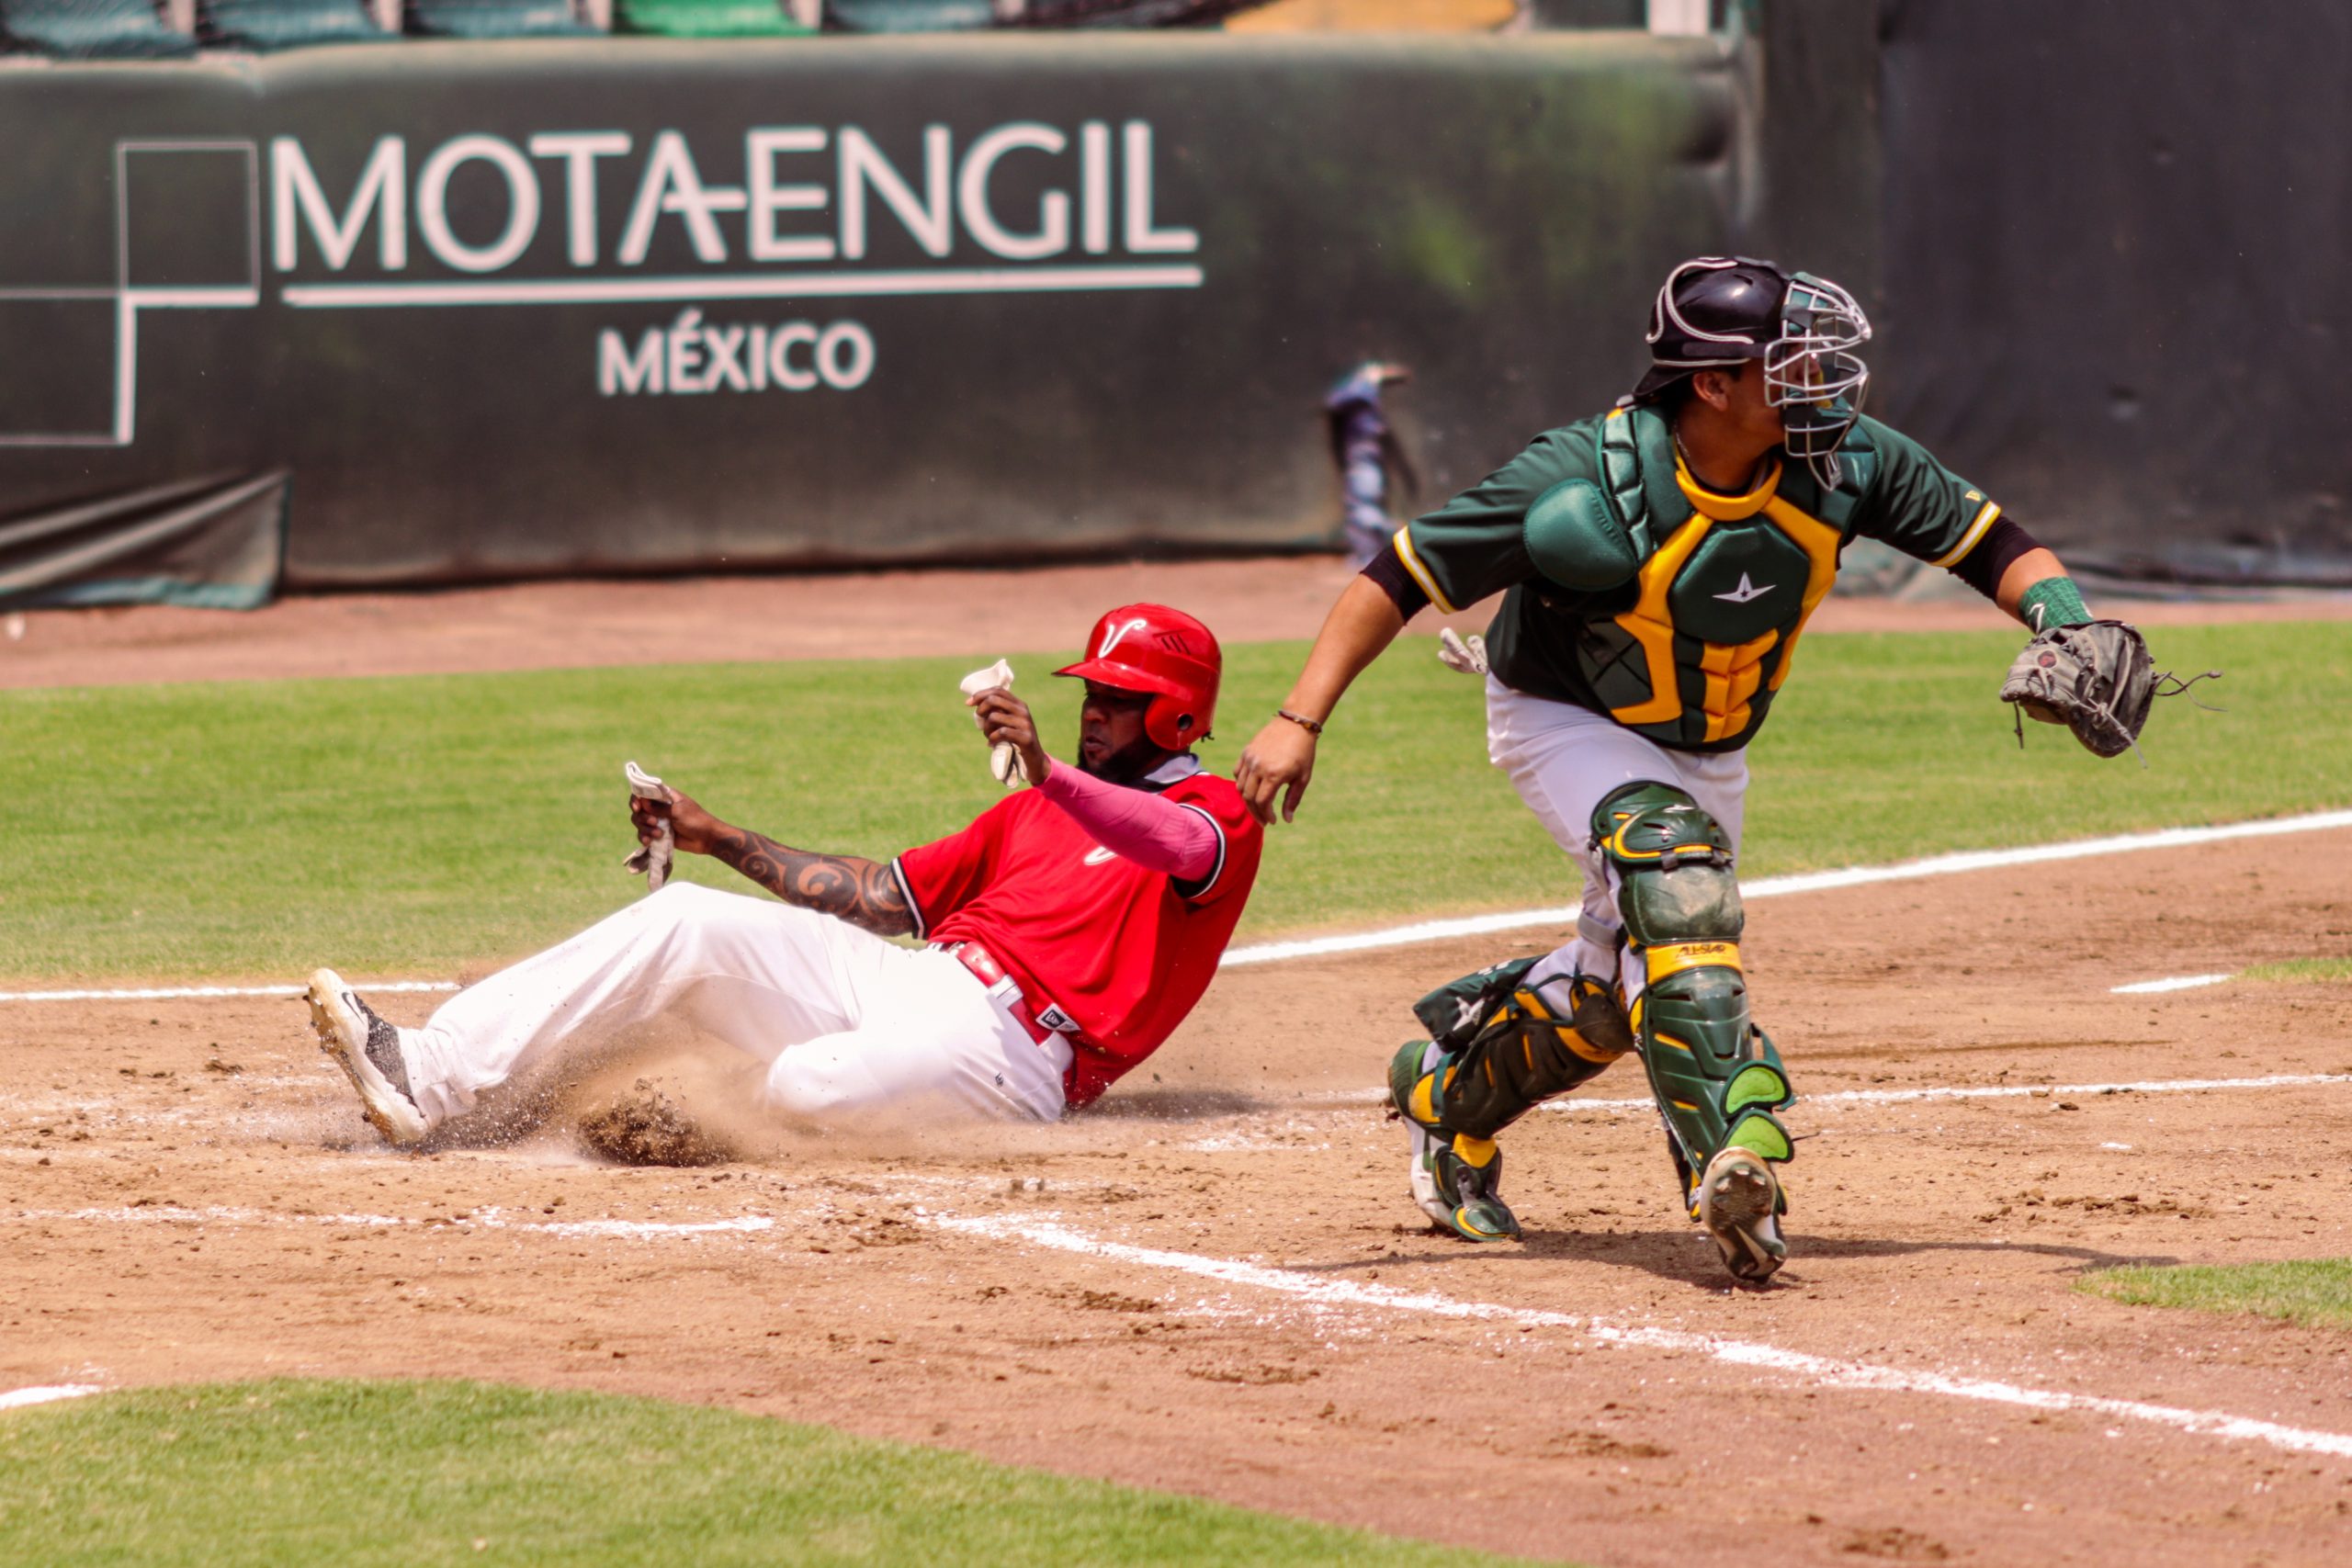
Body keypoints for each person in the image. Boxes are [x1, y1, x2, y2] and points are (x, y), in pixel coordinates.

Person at [1237, 256, 2154, 1282]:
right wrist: (1295, 718)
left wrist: (2063, 620)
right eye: (1788, 358)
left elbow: (1989, 541)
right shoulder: (1580, 478)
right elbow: (1397, 576)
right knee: (1676, 879)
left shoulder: (1840, 459)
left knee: (1620, 992)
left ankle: (1447, 1093)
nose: (1817, 374)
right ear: (1711, 384)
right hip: (1565, 718)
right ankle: (1733, 1166)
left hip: (1711, 747)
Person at [307, 604, 1261, 1146]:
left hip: (1014, 1059)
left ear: (1176, 716)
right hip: (923, 981)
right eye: (1090, 692)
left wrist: (1052, 771)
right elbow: (885, 900)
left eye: (1119, 699)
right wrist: (717, 834)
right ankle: (429, 1077)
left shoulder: (1214, 815)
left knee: (808, 1085)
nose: (1094, 710)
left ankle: (709, 1118)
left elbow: (1171, 847)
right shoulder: (1032, 806)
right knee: (683, 919)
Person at [1325, 361, 1419, 568]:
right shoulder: (1358, 392)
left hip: (1366, 460)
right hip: (1361, 459)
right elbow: (1336, 401)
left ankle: (1403, 537)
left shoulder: (1364, 398)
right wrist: (1370, 378)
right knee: (1360, 507)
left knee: (1364, 509)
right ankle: (1378, 548)